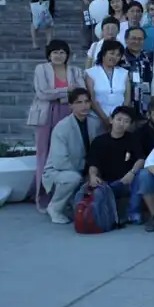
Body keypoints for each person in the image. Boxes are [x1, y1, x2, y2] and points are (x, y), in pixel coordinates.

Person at [30, 40, 85, 213]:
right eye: (55, 52)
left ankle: (66, 196)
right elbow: (42, 93)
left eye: (62, 52)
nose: (59, 55)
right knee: (44, 154)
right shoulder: (41, 69)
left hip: (69, 112)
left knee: (69, 151)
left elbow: (81, 91)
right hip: (47, 115)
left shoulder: (75, 71)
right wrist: (67, 91)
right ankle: (42, 196)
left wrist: (60, 94)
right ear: (49, 55)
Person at [41, 88, 103, 224]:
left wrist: (93, 172)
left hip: (86, 169)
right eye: (79, 102)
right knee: (73, 178)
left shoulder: (94, 122)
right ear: (71, 106)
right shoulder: (62, 127)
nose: (84, 106)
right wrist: (84, 176)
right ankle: (54, 208)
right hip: (59, 171)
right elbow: (60, 161)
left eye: (86, 101)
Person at [86, 106, 145, 224]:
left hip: (126, 181)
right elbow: (93, 163)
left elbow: (141, 159)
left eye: (126, 121)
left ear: (130, 125)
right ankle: (106, 217)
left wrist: (132, 173)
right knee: (96, 190)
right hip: (106, 184)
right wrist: (93, 176)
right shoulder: (99, 141)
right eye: (118, 119)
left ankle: (133, 213)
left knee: (141, 176)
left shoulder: (132, 139)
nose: (121, 124)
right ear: (111, 120)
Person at [85, 40, 131, 126]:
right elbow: (92, 99)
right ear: (103, 53)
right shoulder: (91, 73)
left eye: (118, 55)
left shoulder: (124, 73)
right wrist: (105, 119)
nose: (114, 57)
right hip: (96, 118)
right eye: (112, 53)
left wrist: (119, 118)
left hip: (119, 120)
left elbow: (127, 98)